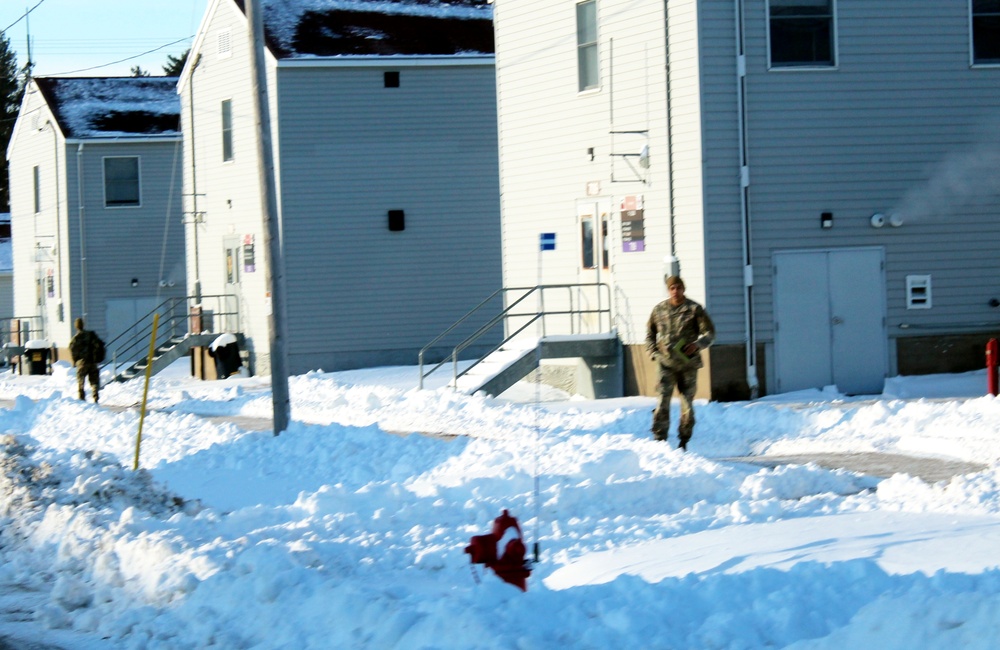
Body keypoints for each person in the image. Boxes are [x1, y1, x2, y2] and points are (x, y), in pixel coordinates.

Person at [645, 275, 715, 450]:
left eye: (679, 288)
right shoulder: (659, 310)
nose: (675, 291)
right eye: (672, 288)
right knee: (662, 403)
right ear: (669, 290)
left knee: (687, 406)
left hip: (687, 366)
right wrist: (653, 352)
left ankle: (684, 440)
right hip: (665, 364)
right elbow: (649, 334)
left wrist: (697, 345)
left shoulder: (694, 309)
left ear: (684, 289)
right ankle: (659, 440)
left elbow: (710, 334)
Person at [69, 317, 104, 403]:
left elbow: (72, 350)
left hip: (82, 363)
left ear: (76, 326)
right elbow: (98, 344)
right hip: (92, 362)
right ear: (83, 325)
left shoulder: (76, 338)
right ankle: (95, 397)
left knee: (81, 382)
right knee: (94, 381)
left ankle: (82, 399)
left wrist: (75, 361)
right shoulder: (91, 335)